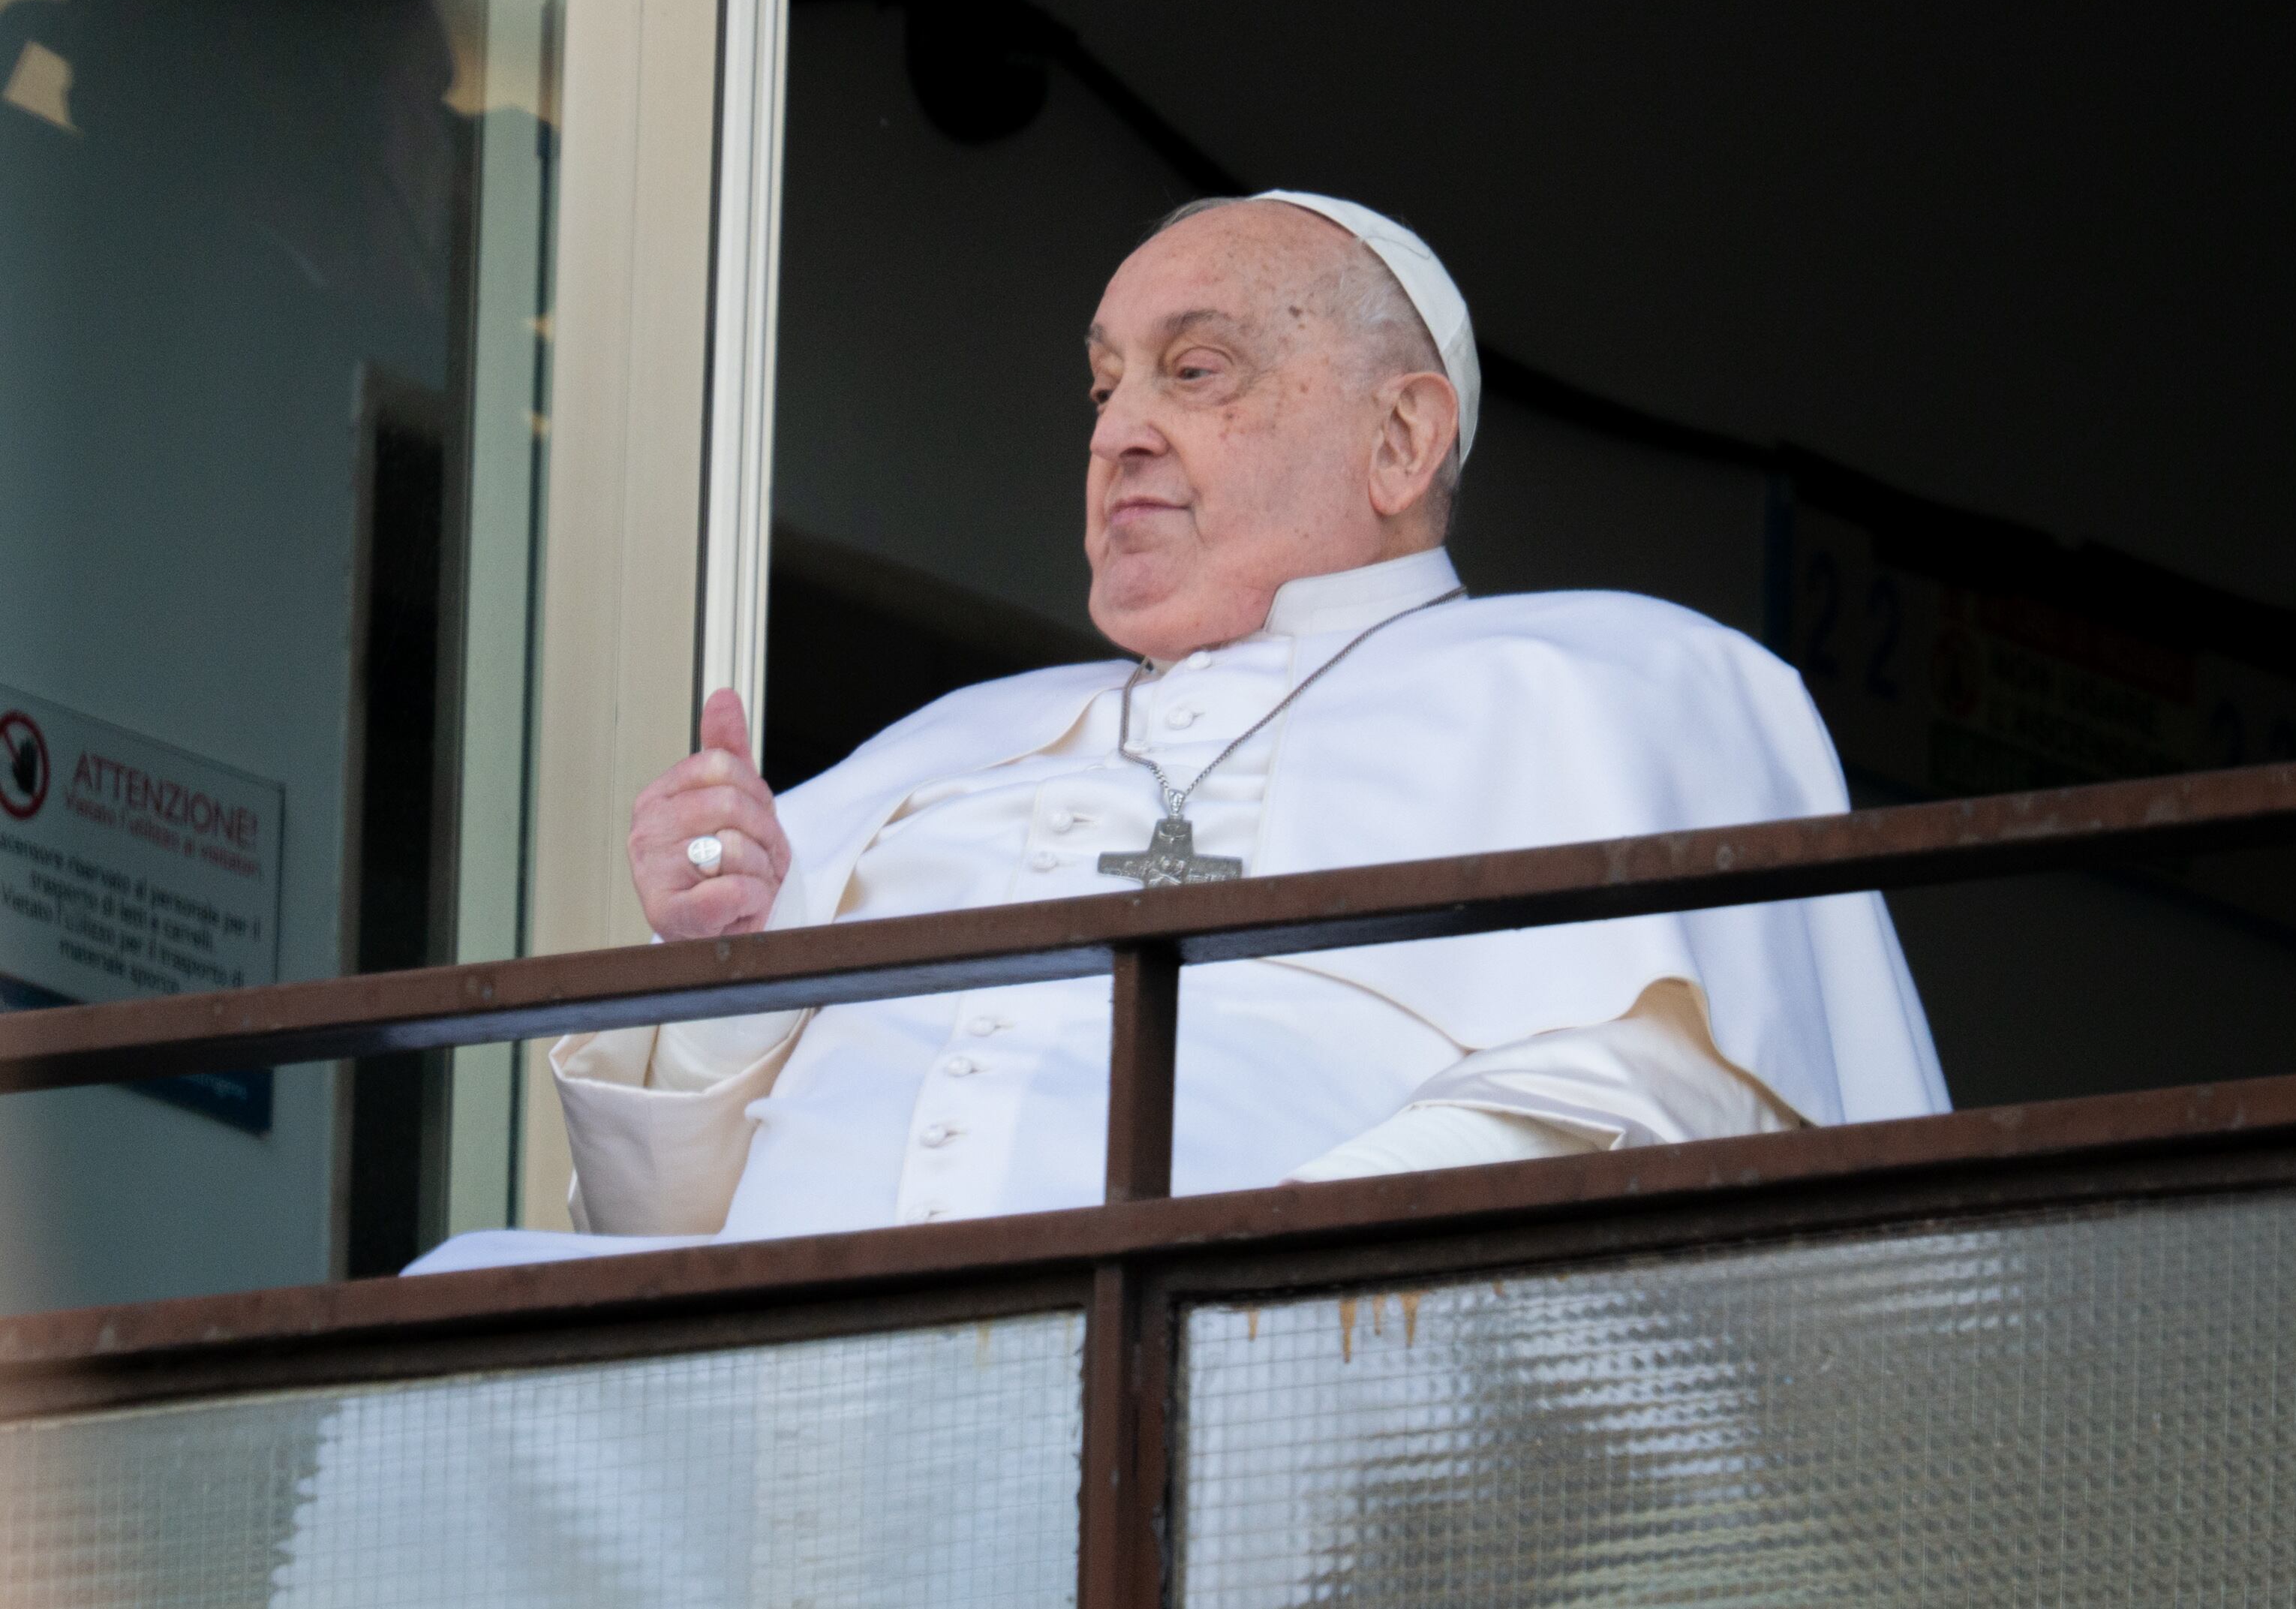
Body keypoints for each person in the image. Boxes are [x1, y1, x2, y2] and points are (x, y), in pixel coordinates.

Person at [417, 191, 1946, 1274]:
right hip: (788, 1384)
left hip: (1290, 1386)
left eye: (1194, 372)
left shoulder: (1603, 681)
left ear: (1400, 438)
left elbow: (1689, 1103)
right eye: (1101, 384)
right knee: (442, 1335)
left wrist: (1254, 1273)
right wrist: (728, 969)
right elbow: (656, 1224)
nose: (1115, 430)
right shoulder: (949, 742)